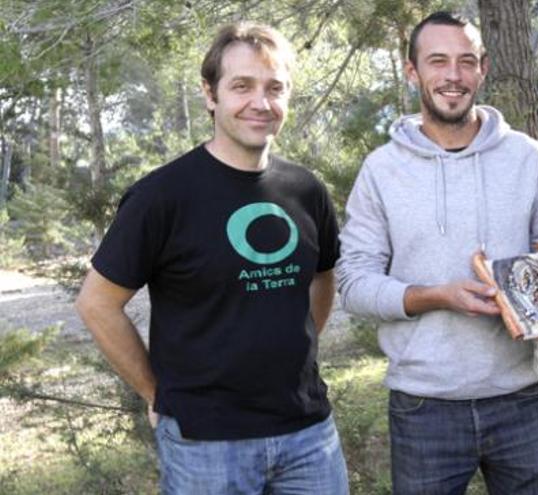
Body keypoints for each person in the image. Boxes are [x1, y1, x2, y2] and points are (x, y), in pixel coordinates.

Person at [75, 22, 349, 494]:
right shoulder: (161, 196)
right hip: (206, 444)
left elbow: (321, 280)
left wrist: (291, 348)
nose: (260, 103)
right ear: (210, 94)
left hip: (308, 434)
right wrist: (154, 391)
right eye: (241, 86)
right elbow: (97, 303)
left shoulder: (306, 190)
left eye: (274, 88)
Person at [336, 11, 538, 495]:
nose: (453, 76)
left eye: (466, 61)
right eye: (438, 61)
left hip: (520, 396)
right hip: (424, 405)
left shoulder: (526, 157)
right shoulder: (382, 170)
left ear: (483, 68)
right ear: (412, 71)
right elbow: (354, 283)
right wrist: (436, 296)